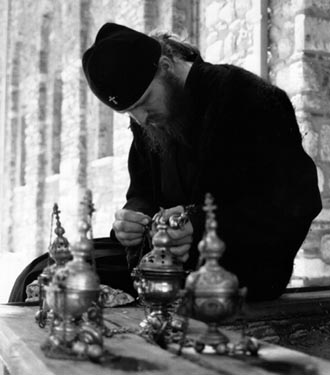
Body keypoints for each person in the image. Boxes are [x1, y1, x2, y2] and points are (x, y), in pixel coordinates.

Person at [9, 22, 321, 303]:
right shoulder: (148, 120)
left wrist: (198, 227)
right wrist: (132, 219)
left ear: (166, 66)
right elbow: (142, 191)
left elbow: (297, 202)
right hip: (157, 259)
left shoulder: (249, 98)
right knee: (46, 274)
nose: (141, 120)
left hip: (235, 266)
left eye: (144, 103)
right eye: (130, 112)